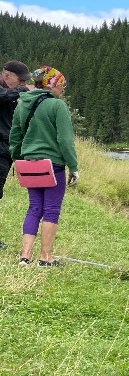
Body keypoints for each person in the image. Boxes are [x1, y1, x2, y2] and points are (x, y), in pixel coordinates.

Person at [8, 67, 79, 267]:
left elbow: (15, 136)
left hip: (29, 163)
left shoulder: (22, 104)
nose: (63, 90)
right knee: (51, 209)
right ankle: (46, 258)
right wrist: (73, 167)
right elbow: (65, 141)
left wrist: (18, 160)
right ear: (52, 85)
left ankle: (25, 256)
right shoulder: (57, 106)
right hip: (53, 164)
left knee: (34, 208)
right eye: (62, 86)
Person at [0, 60, 31, 250]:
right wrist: (24, 90)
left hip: (5, 149)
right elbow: (4, 96)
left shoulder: (11, 95)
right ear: (6, 75)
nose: (21, 85)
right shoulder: (6, 93)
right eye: (20, 81)